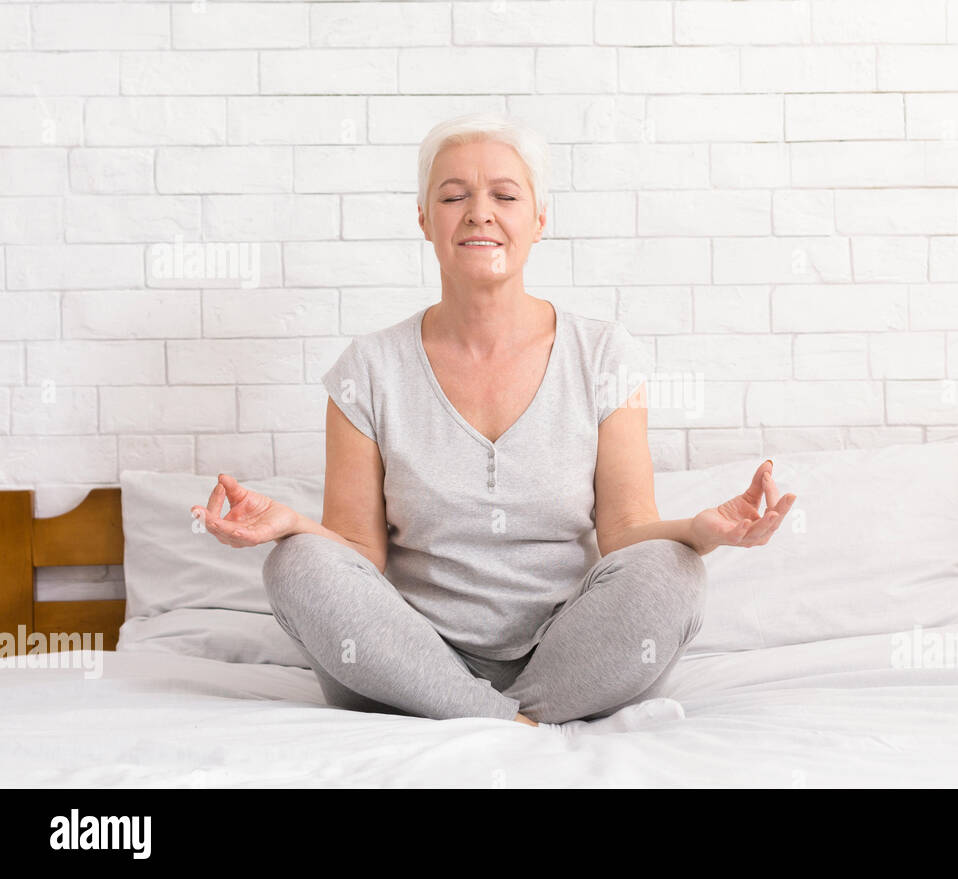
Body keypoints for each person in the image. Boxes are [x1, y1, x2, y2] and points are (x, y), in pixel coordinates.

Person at [189, 112, 797, 735]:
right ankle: (509, 721)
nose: (480, 212)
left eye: (505, 196)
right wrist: (293, 527)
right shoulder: (366, 369)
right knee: (294, 564)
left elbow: (625, 531)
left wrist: (700, 530)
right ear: (425, 220)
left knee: (672, 567)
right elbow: (356, 554)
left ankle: (481, 718)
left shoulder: (603, 356)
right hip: (410, 660)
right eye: (454, 196)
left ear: (538, 221)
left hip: (571, 656)